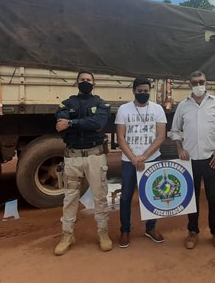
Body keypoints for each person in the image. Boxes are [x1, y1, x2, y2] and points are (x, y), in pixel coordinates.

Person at [171, 71, 215, 250]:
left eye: (201, 81)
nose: (199, 85)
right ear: (189, 84)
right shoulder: (183, 105)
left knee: (214, 199)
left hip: (211, 159)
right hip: (190, 161)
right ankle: (192, 231)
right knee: (192, 199)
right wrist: (180, 149)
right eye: (195, 82)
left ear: (206, 83)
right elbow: (175, 131)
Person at [53, 71, 112, 256]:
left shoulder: (101, 104)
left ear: (94, 83)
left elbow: (98, 122)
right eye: (82, 80)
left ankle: (103, 233)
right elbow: (60, 125)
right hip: (72, 157)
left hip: (95, 156)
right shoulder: (66, 103)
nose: (85, 82)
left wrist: (71, 123)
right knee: (70, 197)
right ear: (76, 83)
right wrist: (79, 124)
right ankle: (67, 234)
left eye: (88, 80)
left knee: (100, 196)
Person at [115, 77, 168, 248]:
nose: (143, 94)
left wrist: (144, 156)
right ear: (134, 91)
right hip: (129, 161)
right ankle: (125, 231)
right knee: (125, 197)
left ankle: (150, 228)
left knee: (153, 196)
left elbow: (161, 136)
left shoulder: (158, 109)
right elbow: (120, 137)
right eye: (140, 91)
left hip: (152, 159)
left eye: (146, 91)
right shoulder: (124, 109)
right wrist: (133, 158)